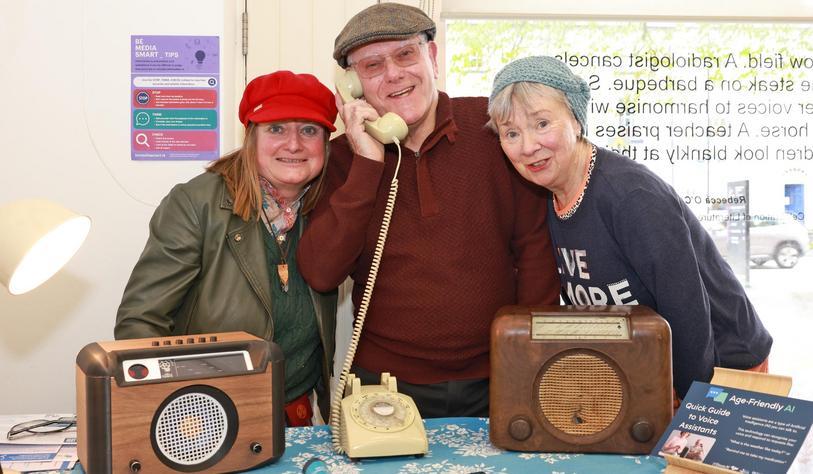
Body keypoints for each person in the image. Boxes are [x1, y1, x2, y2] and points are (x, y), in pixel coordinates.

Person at [296, 4, 560, 418]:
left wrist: (530, 359)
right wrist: (368, 165)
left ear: (432, 58)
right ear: (352, 84)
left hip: (500, 375)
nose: (394, 74)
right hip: (384, 385)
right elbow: (321, 273)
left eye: (405, 55)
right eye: (372, 65)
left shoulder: (494, 130)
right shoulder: (344, 159)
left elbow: (535, 251)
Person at [486, 55, 772, 400]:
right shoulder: (547, 193)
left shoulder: (631, 196)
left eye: (542, 123)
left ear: (576, 120)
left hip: (723, 369)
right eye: (511, 133)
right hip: (655, 365)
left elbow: (688, 315)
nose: (528, 146)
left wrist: (691, 405)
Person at [115, 70, 339, 426]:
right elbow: (139, 323)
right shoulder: (196, 204)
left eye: (309, 130)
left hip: (295, 415)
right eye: (276, 128)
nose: (294, 144)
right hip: (203, 415)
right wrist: (176, 409)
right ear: (251, 137)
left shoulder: (333, 208)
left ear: (326, 143)